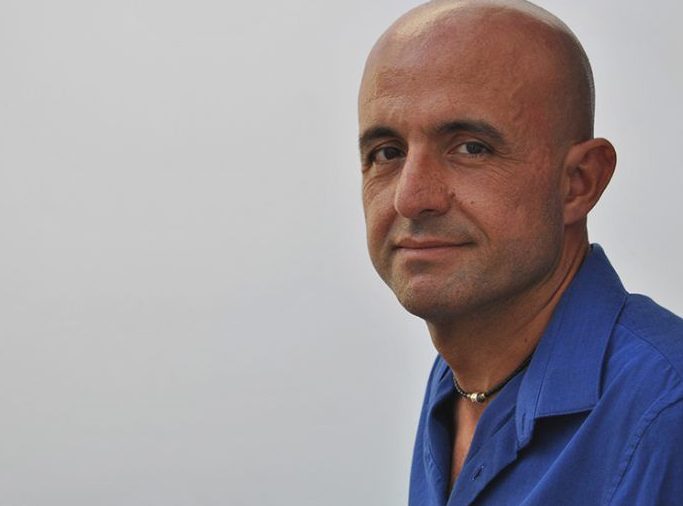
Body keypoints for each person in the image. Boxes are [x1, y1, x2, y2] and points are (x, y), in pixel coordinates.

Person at [357, 0, 683, 504]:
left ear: (579, 182)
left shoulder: (666, 416)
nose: (411, 197)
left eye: (470, 147)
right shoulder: (464, 376)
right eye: (387, 152)